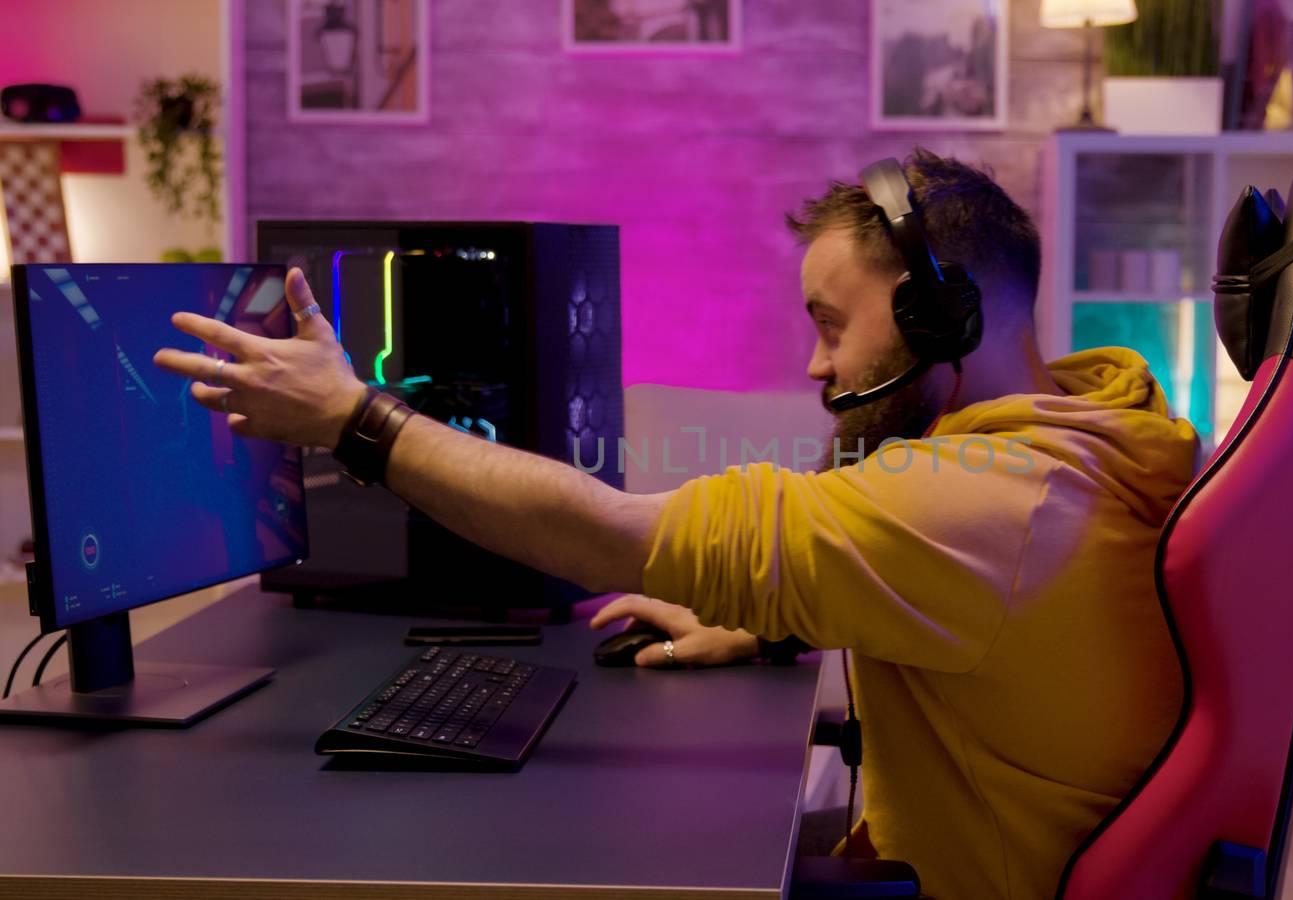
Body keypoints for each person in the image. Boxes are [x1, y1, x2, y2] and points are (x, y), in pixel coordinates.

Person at [153, 150, 1198, 899]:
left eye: (832, 326)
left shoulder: (987, 500)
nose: (815, 366)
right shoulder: (1091, 415)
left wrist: (355, 418)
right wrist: (778, 622)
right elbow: (986, 609)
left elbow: (613, 532)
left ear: (942, 315)